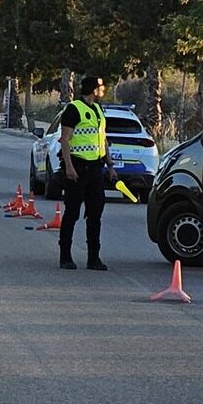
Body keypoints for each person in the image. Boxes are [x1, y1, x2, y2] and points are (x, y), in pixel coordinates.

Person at [58, 75, 117, 271]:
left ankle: (94, 258)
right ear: (93, 89)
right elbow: (65, 140)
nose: (103, 90)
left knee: (95, 215)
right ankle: (65, 256)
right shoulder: (74, 109)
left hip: (95, 170)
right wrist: (68, 167)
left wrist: (109, 165)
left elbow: (102, 139)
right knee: (72, 213)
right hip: (77, 168)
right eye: (101, 87)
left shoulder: (98, 110)